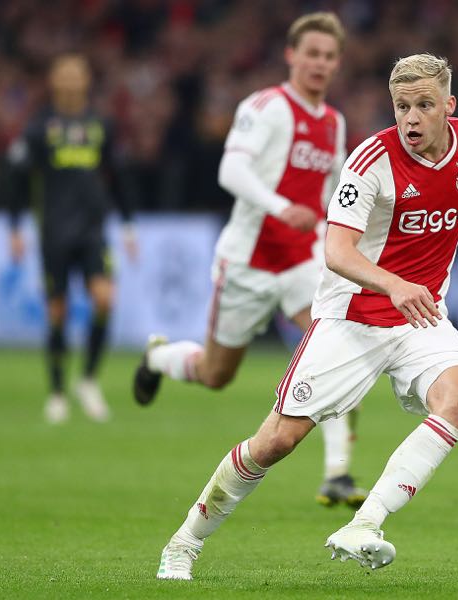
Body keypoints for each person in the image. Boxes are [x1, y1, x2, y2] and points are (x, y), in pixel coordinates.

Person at [155, 53, 458, 580]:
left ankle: (365, 524)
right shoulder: (370, 160)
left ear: (450, 106)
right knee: (276, 442)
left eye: (424, 105)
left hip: (419, 316)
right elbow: (337, 252)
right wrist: (395, 284)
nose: (411, 118)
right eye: (402, 107)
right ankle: (185, 541)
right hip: (352, 318)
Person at [133, 12, 367, 508]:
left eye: (329, 56)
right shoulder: (266, 107)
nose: (320, 64)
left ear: (337, 62)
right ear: (292, 55)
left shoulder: (334, 122)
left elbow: (330, 194)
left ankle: (338, 475)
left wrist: (338, 238)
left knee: (338, 346)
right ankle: (157, 357)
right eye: (312, 54)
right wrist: (283, 208)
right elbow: (231, 170)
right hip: (248, 262)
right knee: (217, 374)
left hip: (303, 264)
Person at [7, 54, 136, 424]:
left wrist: (128, 226)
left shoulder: (101, 125)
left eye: (76, 75)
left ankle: (89, 380)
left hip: (93, 231)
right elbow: (16, 178)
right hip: (54, 233)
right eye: (63, 75)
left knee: (104, 299)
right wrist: (15, 228)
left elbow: (119, 176)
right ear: (53, 81)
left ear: (85, 81)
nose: (69, 81)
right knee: (57, 312)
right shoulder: (38, 128)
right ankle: (58, 391)